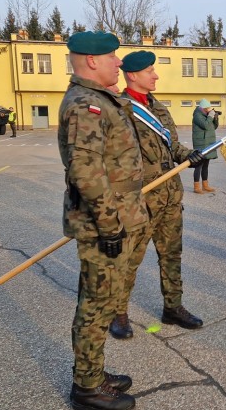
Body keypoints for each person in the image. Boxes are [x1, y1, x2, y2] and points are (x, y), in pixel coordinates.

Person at [58, 31, 148, 410]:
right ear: (93, 61)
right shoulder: (85, 104)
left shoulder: (100, 99)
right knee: (96, 306)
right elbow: (86, 170)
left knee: (106, 300)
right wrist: (110, 225)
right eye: (113, 57)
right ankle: (87, 388)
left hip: (122, 211)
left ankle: (94, 374)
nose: (118, 63)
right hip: (103, 222)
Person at [109, 50, 205, 339]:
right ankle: (119, 313)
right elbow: (114, 158)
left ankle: (172, 307)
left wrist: (191, 155)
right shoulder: (120, 109)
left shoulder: (159, 108)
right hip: (140, 199)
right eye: (150, 70)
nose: (156, 74)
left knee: (172, 255)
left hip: (170, 195)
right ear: (133, 75)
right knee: (130, 259)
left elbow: (173, 147)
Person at [191, 99, 219, 193]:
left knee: (206, 165)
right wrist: (210, 116)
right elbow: (206, 125)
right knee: (199, 165)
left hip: (208, 142)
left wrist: (215, 118)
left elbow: (213, 127)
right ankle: (196, 187)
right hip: (201, 143)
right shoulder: (197, 116)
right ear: (202, 108)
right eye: (207, 109)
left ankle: (205, 185)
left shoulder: (206, 115)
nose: (208, 110)